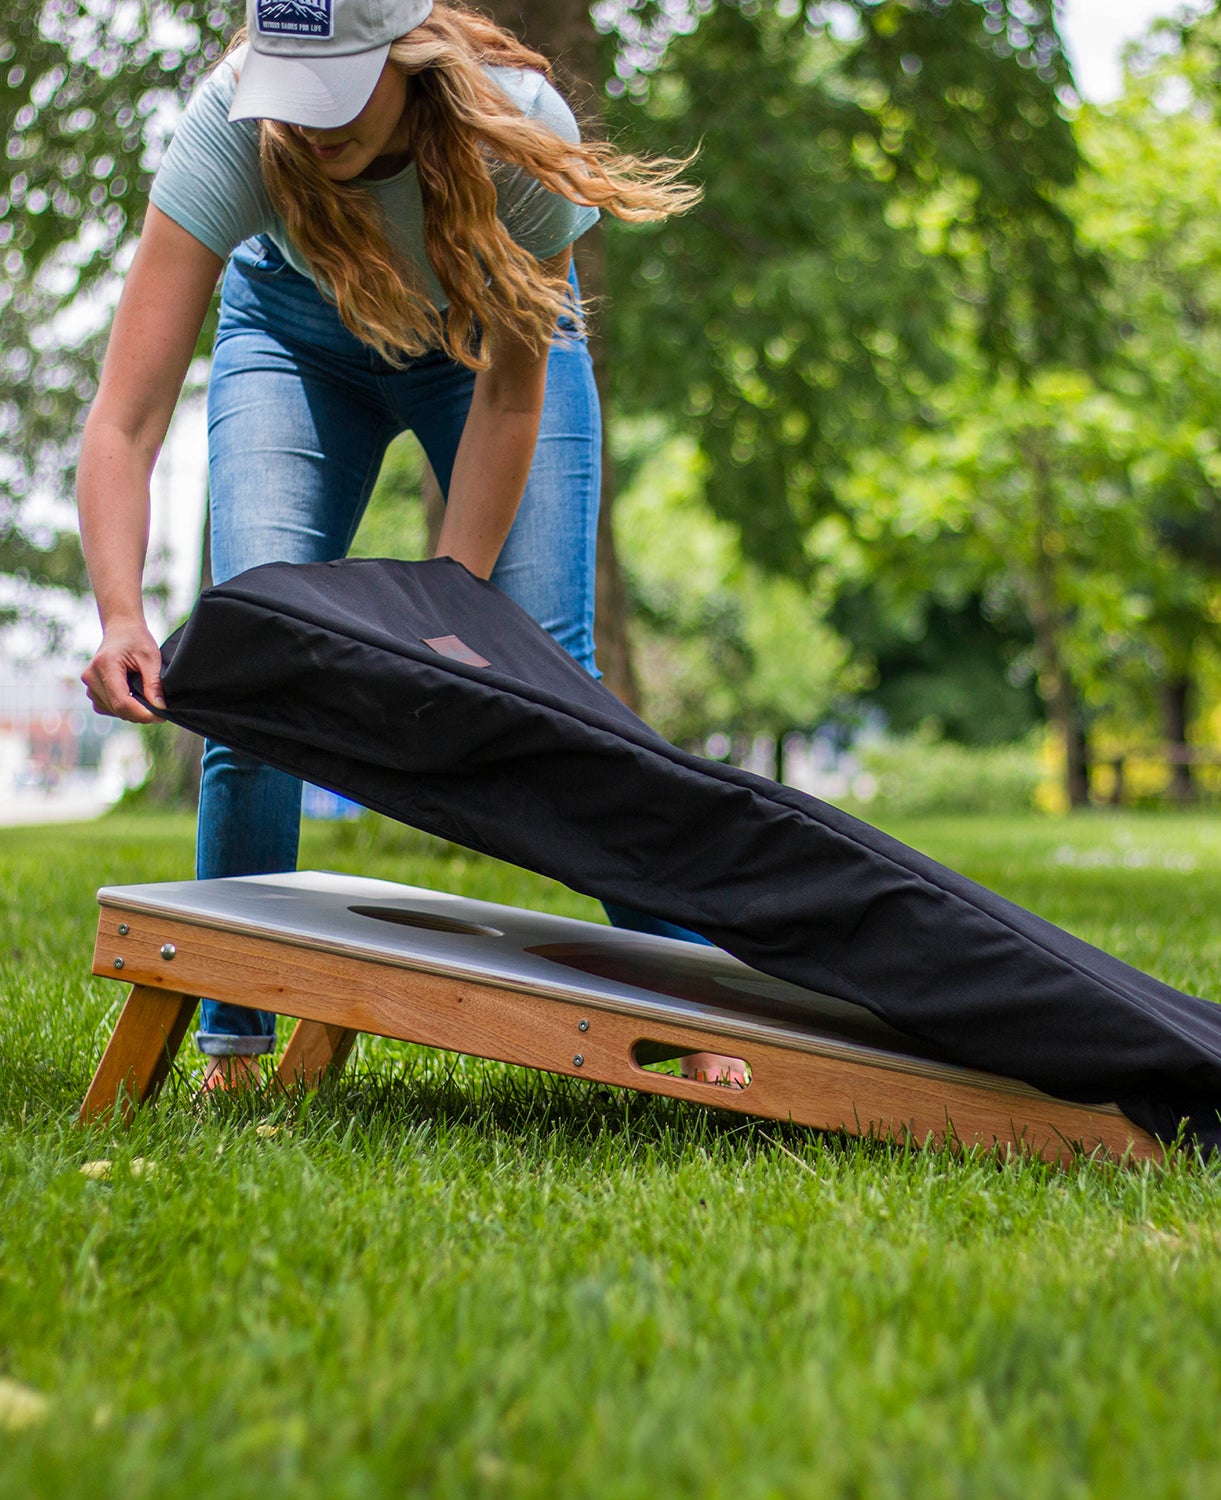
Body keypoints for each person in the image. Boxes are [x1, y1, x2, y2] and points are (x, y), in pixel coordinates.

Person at [77, 0, 743, 1089]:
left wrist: (453, 604)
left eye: (334, 89)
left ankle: (704, 1008)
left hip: (478, 356)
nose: (310, 125)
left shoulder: (514, 131)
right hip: (294, 343)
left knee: (548, 674)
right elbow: (123, 417)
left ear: (407, 56)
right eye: (289, 92)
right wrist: (118, 613)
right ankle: (233, 1049)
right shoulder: (231, 130)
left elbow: (514, 399)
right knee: (257, 660)